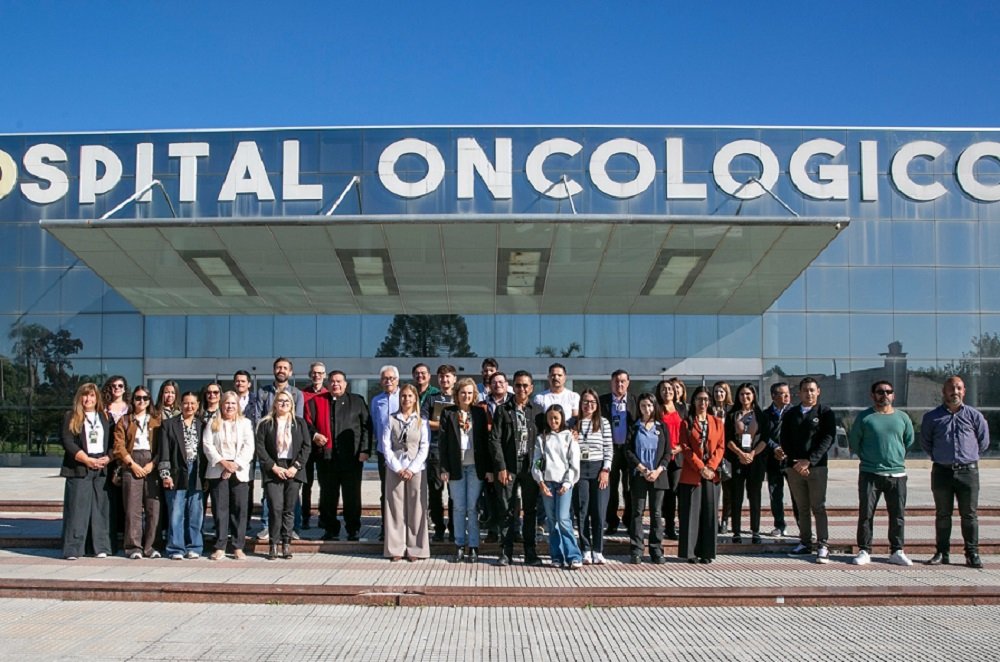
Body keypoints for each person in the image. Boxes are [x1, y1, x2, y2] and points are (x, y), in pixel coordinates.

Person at [921, 375, 990, 569]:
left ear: (964, 391)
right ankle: (942, 552)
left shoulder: (975, 416)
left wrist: (968, 455)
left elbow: (983, 442)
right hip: (942, 472)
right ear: (944, 392)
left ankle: (972, 553)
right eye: (951, 388)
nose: (955, 392)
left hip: (968, 472)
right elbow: (926, 443)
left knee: (969, 515)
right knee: (943, 514)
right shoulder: (932, 417)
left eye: (959, 388)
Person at [848, 380, 915, 566]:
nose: (884, 395)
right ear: (872, 395)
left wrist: (895, 458)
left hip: (897, 475)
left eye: (888, 391)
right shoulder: (865, 418)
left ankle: (897, 551)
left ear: (893, 395)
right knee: (866, 514)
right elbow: (855, 442)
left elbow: (908, 441)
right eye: (880, 392)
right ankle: (864, 550)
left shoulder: (903, 418)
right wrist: (870, 458)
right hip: (870, 473)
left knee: (898, 515)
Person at [307, 370, 371, 541]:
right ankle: (330, 529)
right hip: (326, 458)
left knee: (352, 496)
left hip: (352, 457)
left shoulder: (357, 401)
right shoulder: (317, 402)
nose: (336, 384)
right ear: (328, 384)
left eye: (339, 381)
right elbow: (307, 424)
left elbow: (366, 427)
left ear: (345, 384)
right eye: (333, 381)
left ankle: (353, 529)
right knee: (328, 496)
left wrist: (365, 450)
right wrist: (315, 436)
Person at [490, 370, 544, 566]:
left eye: (525, 385)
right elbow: (494, 439)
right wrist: (501, 467)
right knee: (506, 509)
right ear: (514, 386)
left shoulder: (537, 411)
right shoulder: (503, 410)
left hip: (529, 467)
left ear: (531, 388)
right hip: (510, 467)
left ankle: (530, 552)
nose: (521, 389)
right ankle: (506, 552)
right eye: (518, 385)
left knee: (530, 510)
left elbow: (545, 439)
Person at [781, 377, 837, 564]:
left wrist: (809, 461)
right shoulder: (791, 414)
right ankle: (805, 542)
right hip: (794, 468)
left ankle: (823, 545)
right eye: (805, 390)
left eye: (812, 390)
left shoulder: (825, 412)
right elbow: (785, 439)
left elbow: (827, 439)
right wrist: (796, 463)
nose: (809, 393)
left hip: (817, 467)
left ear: (818, 391)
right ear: (799, 392)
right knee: (801, 507)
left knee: (818, 507)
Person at [439, 377, 491, 563]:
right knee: (459, 507)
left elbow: (485, 443)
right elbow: (443, 443)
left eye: (470, 393)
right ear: (457, 394)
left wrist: (488, 469)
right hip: (455, 467)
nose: (466, 396)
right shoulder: (448, 413)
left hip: (475, 467)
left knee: (472, 507)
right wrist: (443, 468)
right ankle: (459, 545)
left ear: (474, 395)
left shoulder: (479, 413)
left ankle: (474, 546)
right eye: (463, 392)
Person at [60, 383, 113, 560]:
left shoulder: (104, 417)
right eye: (85, 396)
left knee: (100, 509)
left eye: (91, 396)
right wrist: (87, 459)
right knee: (77, 509)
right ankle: (73, 549)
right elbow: (68, 442)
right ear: (79, 398)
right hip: (80, 467)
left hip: (101, 466)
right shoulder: (71, 416)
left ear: (96, 398)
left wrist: (109, 458)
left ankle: (100, 547)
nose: (88, 399)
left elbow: (114, 441)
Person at [255, 391, 311, 559]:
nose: (284, 403)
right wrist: (273, 466)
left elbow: (306, 446)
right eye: (280, 400)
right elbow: (260, 448)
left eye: (287, 401)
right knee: (275, 507)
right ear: (274, 404)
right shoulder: (266, 424)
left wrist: (296, 466)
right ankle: (273, 544)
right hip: (273, 469)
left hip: (293, 469)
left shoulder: (299, 423)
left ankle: (286, 543)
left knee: (289, 509)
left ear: (292, 404)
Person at [379, 383, 430, 561]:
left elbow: (424, 447)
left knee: (417, 508)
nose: (406, 399)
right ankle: (395, 548)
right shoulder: (391, 419)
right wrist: (397, 467)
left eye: (410, 396)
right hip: (396, 468)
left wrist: (412, 468)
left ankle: (416, 548)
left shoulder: (421, 421)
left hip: (416, 469)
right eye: (403, 396)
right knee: (395, 508)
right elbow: (386, 445)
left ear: (415, 398)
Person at [203, 391, 256, 560]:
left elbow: (249, 446)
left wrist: (234, 465)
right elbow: (207, 445)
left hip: (239, 470)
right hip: (218, 469)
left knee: (239, 509)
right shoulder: (213, 422)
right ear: (221, 404)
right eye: (227, 403)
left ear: (238, 406)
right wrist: (223, 463)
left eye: (233, 403)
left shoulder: (245, 423)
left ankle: (238, 546)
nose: (230, 406)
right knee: (220, 509)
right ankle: (220, 545)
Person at [113, 386, 163, 559]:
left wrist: (153, 464)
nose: (141, 402)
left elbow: (163, 446)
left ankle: (151, 546)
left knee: (153, 508)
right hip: (131, 462)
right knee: (132, 508)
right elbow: (118, 446)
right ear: (132, 400)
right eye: (138, 398)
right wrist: (131, 464)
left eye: (145, 398)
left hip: (151, 464)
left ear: (150, 401)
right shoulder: (125, 420)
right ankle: (133, 547)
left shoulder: (157, 420)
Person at [677, 386, 725, 564]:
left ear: (709, 402)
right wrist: (700, 467)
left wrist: (711, 467)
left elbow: (721, 447)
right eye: (699, 399)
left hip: (712, 475)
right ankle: (691, 552)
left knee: (709, 513)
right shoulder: (687, 422)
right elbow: (685, 448)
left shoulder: (717, 422)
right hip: (692, 473)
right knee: (691, 513)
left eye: (705, 399)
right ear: (694, 401)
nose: (703, 403)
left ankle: (707, 552)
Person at [532, 404, 583, 569]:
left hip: (564, 483)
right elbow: (537, 462)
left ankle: (574, 555)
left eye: (556, 418)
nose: (553, 421)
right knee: (552, 520)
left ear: (562, 418)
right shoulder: (542, 438)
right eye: (550, 418)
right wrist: (540, 482)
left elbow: (573, 462)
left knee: (563, 519)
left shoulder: (569, 437)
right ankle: (557, 555)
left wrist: (568, 482)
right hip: (547, 483)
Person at [158, 391, 206, 560]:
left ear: (198, 405)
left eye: (193, 403)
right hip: (177, 471)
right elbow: (164, 451)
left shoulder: (202, 425)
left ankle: (194, 547)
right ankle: (175, 548)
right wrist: (165, 474)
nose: (189, 406)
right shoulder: (169, 424)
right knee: (176, 512)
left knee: (195, 512)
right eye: (186, 403)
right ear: (181, 404)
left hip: (197, 471)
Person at [625, 393, 672, 564]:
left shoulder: (662, 427)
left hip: (658, 476)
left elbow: (667, 452)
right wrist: (642, 468)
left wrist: (658, 470)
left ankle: (656, 549)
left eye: (650, 405)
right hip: (640, 475)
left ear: (655, 407)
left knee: (656, 513)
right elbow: (628, 451)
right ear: (639, 407)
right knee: (637, 513)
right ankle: (636, 549)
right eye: (643, 406)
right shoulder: (634, 427)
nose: (647, 409)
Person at [570, 389, 612, 564]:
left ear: (597, 405)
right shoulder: (572, 423)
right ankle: (585, 548)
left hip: (598, 470)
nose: (588, 405)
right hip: (580, 470)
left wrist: (606, 470)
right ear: (580, 404)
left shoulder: (603, 423)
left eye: (592, 402)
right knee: (582, 511)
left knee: (599, 511)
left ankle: (598, 549)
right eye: (585, 402)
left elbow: (609, 448)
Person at [724, 383, 768, 544]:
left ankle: (755, 530)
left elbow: (765, 439)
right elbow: (727, 439)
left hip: (755, 460)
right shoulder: (732, 415)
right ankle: (736, 531)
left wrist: (752, 454)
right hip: (737, 460)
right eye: (742, 394)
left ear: (754, 395)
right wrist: (740, 454)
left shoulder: (760, 415)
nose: (745, 397)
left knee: (754, 496)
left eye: (748, 394)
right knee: (736, 496)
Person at [600, 369, 637, 536]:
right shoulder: (603, 402)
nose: (619, 384)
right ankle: (612, 522)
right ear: (611, 382)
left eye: (623, 381)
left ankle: (629, 521)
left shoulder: (635, 401)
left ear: (628, 383)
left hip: (630, 450)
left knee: (629, 488)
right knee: (611, 487)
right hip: (610, 449)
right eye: (616, 381)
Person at [423, 364, 457, 542]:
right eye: (442, 377)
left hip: (456, 452)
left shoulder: (460, 398)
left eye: (448, 376)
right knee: (435, 492)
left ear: (454, 379)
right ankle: (438, 527)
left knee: (454, 493)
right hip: (435, 450)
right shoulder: (431, 398)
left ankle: (453, 528)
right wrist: (446, 425)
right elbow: (422, 421)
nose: (445, 380)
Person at [370, 365, 401, 541]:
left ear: (397, 380)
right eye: (385, 378)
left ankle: (402, 526)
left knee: (403, 491)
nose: (388, 381)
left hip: (402, 452)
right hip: (384, 452)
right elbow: (375, 425)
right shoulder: (376, 400)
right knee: (386, 490)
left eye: (391, 378)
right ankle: (386, 526)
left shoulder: (405, 397)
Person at [299, 362, 328, 530]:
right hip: (307, 445)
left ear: (324, 375)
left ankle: (324, 517)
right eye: (314, 373)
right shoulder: (302, 394)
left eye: (320, 373)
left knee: (325, 483)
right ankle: (305, 517)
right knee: (306, 483)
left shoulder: (328, 393)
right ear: (310, 374)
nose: (317, 375)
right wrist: (313, 435)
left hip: (323, 445)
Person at [763, 382, 793, 537]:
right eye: (782, 393)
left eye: (787, 392)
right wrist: (775, 447)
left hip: (792, 461)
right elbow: (763, 435)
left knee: (797, 495)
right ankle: (779, 525)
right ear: (773, 396)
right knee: (775, 495)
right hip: (773, 460)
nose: (787, 396)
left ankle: (804, 528)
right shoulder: (765, 414)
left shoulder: (795, 412)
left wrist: (787, 450)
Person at [655, 379, 684, 540]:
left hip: (678, 456)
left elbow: (687, 430)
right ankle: (668, 527)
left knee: (676, 491)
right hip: (663, 457)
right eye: (663, 389)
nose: (667, 391)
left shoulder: (681, 408)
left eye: (670, 389)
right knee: (666, 494)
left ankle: (679, 526)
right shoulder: (657, 409)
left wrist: (680, 447)